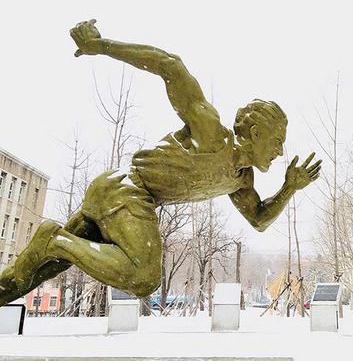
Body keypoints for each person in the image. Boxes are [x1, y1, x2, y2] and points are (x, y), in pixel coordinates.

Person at [0, 20, 321, 306]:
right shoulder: (211, 134)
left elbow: (260, 219)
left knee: (29, 274)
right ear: (255, 132)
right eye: (277, 141)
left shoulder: (241, 179)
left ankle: (33, 264)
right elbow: (170, 66)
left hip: (120, 197)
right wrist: (100, 45)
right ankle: (53, 239)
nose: (279, 152)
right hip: (126, 190)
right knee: (143, 275)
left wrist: (289, 188)